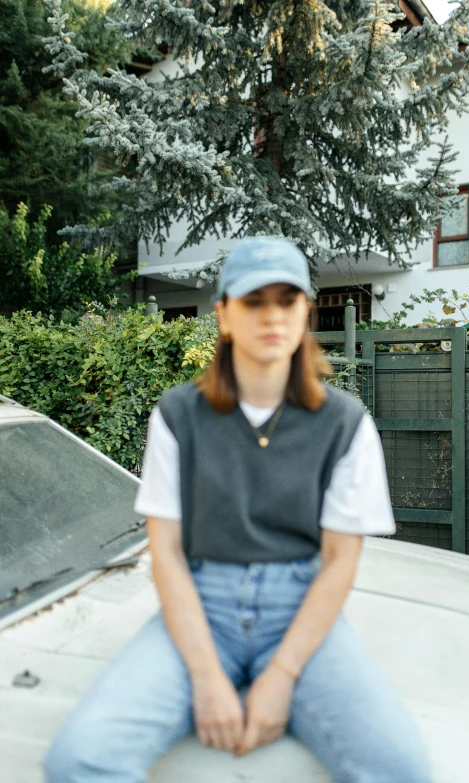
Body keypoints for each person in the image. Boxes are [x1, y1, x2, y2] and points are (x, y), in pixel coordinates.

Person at [44, 237, 432, 783]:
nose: (271, 315)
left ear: (304, 312)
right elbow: (168, 554)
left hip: (299, 610)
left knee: (401, 768)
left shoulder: (345, 423)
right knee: (79, 759)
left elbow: (341, 560)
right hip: (203, 608)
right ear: (224, 314)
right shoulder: (179, 415)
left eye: (286, 299)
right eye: (253, 301)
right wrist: (204, 675)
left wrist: (282, 674)